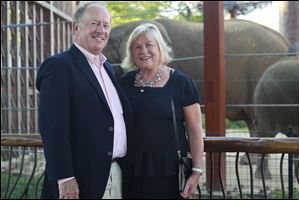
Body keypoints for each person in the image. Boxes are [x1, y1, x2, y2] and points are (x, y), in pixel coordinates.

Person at [36, 2, 132, 199]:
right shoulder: (58, 67)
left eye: (106, 25)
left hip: (114, 173)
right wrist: (64, 177)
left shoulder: (106, 68)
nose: (101, 30)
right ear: (75, 27)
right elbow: (53, 128)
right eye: (94, 23)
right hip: (79, 179)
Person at [119, 23, 204, 199]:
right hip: (130, 170)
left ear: (160, 47)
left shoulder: (181, 83)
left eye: (149, 45)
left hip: (169, 173)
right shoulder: (123, 83)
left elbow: (195, 131)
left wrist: (196, 172)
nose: (143, 51)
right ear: (131, 52)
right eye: (137, 47)